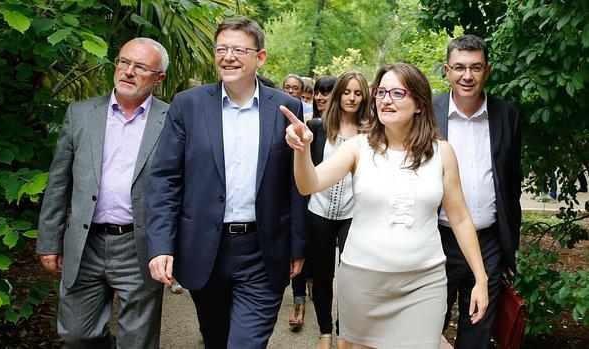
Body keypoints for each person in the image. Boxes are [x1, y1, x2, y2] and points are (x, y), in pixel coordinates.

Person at [282, 62, 489, 349]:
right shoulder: (358, 147)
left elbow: (461, 219)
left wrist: (481, 278)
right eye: (381, 92)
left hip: (424, 283)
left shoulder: (442, 152)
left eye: (397, 93)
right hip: (364, 282)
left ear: (419, 103)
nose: (386, 99)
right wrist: (302, 151)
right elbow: (309, 184)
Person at [146, 17, 307, 349]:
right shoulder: (187, 105)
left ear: (259, 57)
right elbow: (165, 179)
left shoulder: (285, 108)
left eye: (238, 49)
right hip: (205, 247)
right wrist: (161, 244)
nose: (228, 57)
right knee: (216, 339)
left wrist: (297, 244)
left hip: (262, 250)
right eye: (221, 49)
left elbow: (296, 182)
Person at [36, 38, 169, 348]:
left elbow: (180, 186)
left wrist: (171, 246)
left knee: (137, 341)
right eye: (123, 62)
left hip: (140, 244)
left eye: (140, 67)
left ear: (159, 78)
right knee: (76, 334)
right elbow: (59, 182)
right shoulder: (81, 114)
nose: (128, 71)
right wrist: (49, 240)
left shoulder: (172, 119)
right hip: (86, 243)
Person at [433, 34, 521, 349]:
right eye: (459, 68)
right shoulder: (428, 111)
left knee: (478, 334)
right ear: (447, 70)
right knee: (427, 328)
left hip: (489, 244)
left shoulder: (507, 115)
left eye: (476, 67)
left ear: (488, 70)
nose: (467, 76)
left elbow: (512, 184)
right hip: (437, 239)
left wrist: (511, 247)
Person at [304, 71, 368, 349]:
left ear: (364, 96)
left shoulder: (372, 131)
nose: (352, 98)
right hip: (318, 212)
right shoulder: (318, 126)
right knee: (322, 275)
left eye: (357, 93)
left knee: (350, 276)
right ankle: (325, 332)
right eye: (346, 92)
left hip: (353, 214)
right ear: (338, 94)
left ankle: (344, 332)